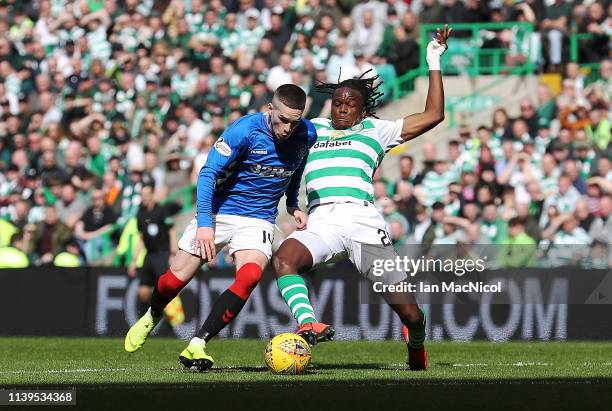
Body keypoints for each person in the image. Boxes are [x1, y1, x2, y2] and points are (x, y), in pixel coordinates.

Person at [271, 25, 452, 371]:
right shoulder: (313, 129)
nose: (341, 109)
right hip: (322, 221)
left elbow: (434, 115)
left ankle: (416, 340)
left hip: (363, 223)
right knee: (284, 258)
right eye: (337, 103)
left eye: (349, 104)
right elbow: (275, 126)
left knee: (411, 314)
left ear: (362, 108)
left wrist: (433, 61)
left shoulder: (377, 130)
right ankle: (308, 323)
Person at [124, 84, 317, 372]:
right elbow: (208, 173)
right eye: (283, 120)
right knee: (173, 281)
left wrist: (292, 202)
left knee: (250, 276)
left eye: (294, 121)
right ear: (270, 109)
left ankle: (199, 343)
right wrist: (205, 225)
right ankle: (153, 314)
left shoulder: (307, 134)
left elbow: (296, 166)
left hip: (259, 218)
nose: (288, 128)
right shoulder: (244, 130)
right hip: (219, 211)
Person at [129, 184, 181, 316]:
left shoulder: (162, 210)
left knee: (167, 289)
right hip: (149, 255)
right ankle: (147, 319)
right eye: (142, 195)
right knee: (143, 292)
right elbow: (141, 238)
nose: (144, 197)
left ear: (152, 195)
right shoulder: (140, 214)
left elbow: (172, 232)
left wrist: (173, 254)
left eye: (147, 194)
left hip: (163, 254)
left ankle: (176, 321)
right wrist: (134, 260)